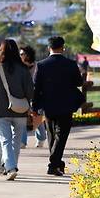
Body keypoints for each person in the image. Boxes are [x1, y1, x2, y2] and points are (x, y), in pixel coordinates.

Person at [33, 36, 84, 176]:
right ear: (63, 47)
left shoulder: (41, 65)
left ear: (49, 48)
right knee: (61, 135)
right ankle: (54, 164)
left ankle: (57, 164)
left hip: (48, 105)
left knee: (52, 135)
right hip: (66, 104)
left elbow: (36, 87)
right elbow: (79, 82)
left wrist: (35, 106)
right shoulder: (71, 64)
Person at [0, 39, 34, 180]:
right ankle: (11, 165)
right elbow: (30, 91)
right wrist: (27, 102)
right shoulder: (24, 69)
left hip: (1, 110)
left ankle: (10, 167)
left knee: (5, 140)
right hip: (20, 110)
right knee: (16, 140)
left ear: (1, 51)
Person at [20, 45, 47, 148]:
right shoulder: (19, 67)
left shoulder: (38, 66)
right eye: (20, 54)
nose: (20, 56)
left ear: (28, 54)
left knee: (37, 118)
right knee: (22, 118)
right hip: (22, 96)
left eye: (22, 54)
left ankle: (41, 138)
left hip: (36, 96)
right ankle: (22, 142)